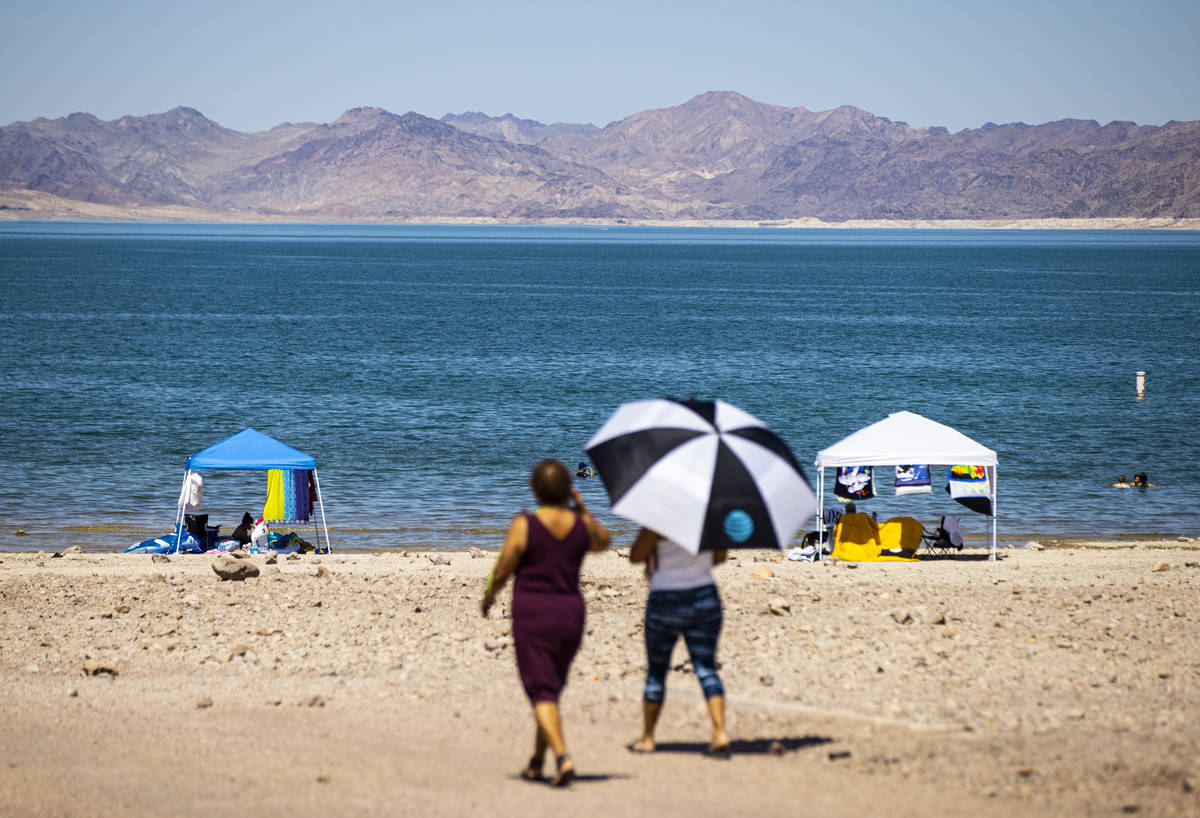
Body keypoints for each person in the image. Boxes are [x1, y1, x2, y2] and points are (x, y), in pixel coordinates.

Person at [481, 459, 611, 787]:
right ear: (568, 489)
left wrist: (489, 595)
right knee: (550, 687)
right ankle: (537, 762)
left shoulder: (526, 524)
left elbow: (504, 566)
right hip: (570, 613)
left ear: (535, 489)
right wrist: (583, 510)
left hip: (534, 612)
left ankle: (563, 758)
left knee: (541, 689)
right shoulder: (581, 525)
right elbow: (604, 541)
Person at [627, 528, 731, 758]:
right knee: (706, 668)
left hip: (665, 599)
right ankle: (720, 731)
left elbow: (635, 556)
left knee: (657, 670)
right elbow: (719, 557)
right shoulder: (709, 518)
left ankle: (647, 738)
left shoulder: (659, 520)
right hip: (704, 596)